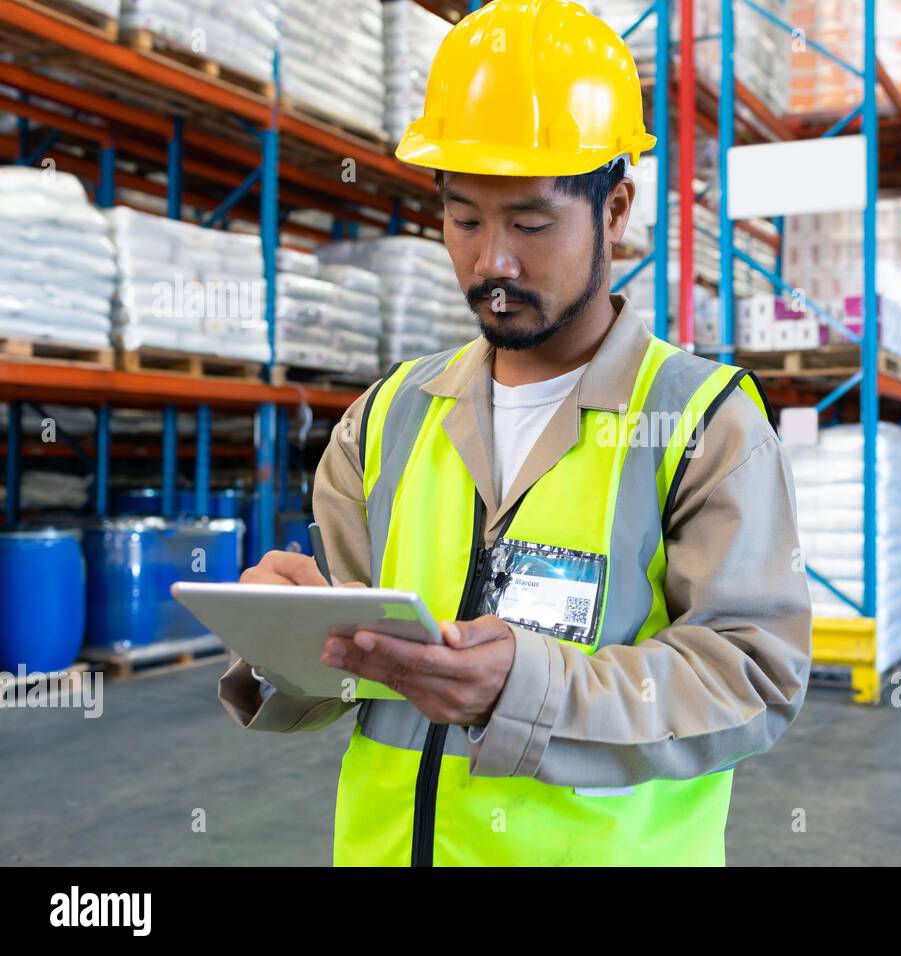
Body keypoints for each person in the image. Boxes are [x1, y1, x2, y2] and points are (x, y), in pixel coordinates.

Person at [220, 0, 811, 866]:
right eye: (464, 219)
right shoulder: (387, 418)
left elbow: (751, 675)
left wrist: (526, 690)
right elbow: (346, 672)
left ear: (614, 210)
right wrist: (283, 641)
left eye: (529, 223)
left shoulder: (701, 423)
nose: (492, 260)